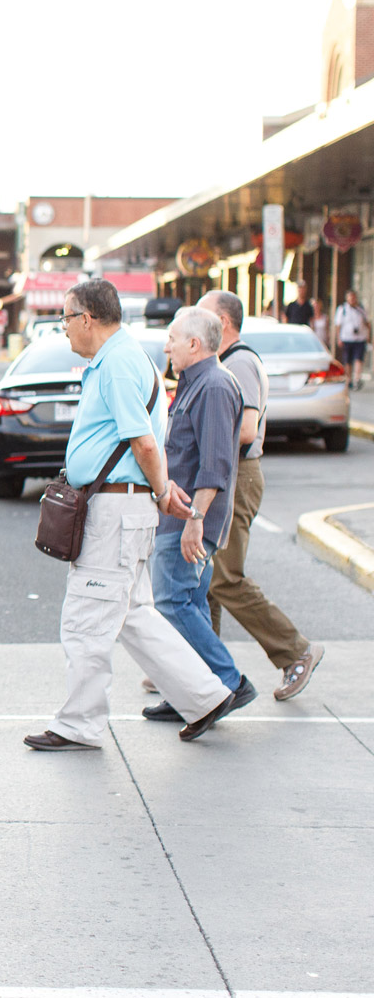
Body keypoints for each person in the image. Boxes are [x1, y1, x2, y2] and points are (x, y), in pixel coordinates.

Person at [25, 280, 235, 751]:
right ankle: (205, 697)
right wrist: (158, 490)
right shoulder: (118, 359)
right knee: (132, 615)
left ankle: (79, 724)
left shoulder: (117, 364)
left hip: (115, 510)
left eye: (65, 318)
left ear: (88, 318)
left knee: (87, 620)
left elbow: (141, 442)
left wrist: (161, 492)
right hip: (123, 505)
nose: (63, 329)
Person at [191, 291, 325, 701]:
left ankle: (296, 651)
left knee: (226, 578)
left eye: (202, 314)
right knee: (207, 577)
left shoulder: (241, 362)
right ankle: (201, 670)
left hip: (238, 474)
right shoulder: (225, 362)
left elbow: (246, 430)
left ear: (223, 324)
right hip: (227, 473)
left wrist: (207, 449)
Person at [140, 306, 256, 723]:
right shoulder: (193, 383)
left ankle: (226, 682)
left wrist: (195, 521)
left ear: (194, 343)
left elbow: (216, 464)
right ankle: (194, 692)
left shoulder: (214, 386)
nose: (166, 346)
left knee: (173, 602)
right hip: (180, 516)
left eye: (172, 338)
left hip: (189, 519)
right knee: (190, 602)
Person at [333, 289, 368, 389]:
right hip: (347, 338)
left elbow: (367, 323)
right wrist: (338, 338)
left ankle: (357, 379)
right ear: (347, 298)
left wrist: (368, 336)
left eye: (354, 297)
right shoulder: (342, 309)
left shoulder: (361, 309)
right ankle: (349, 379)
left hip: (360, 338)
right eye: (350, 297)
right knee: (347, 361)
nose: (352, 299)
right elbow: (338, 325)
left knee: (358, 359)